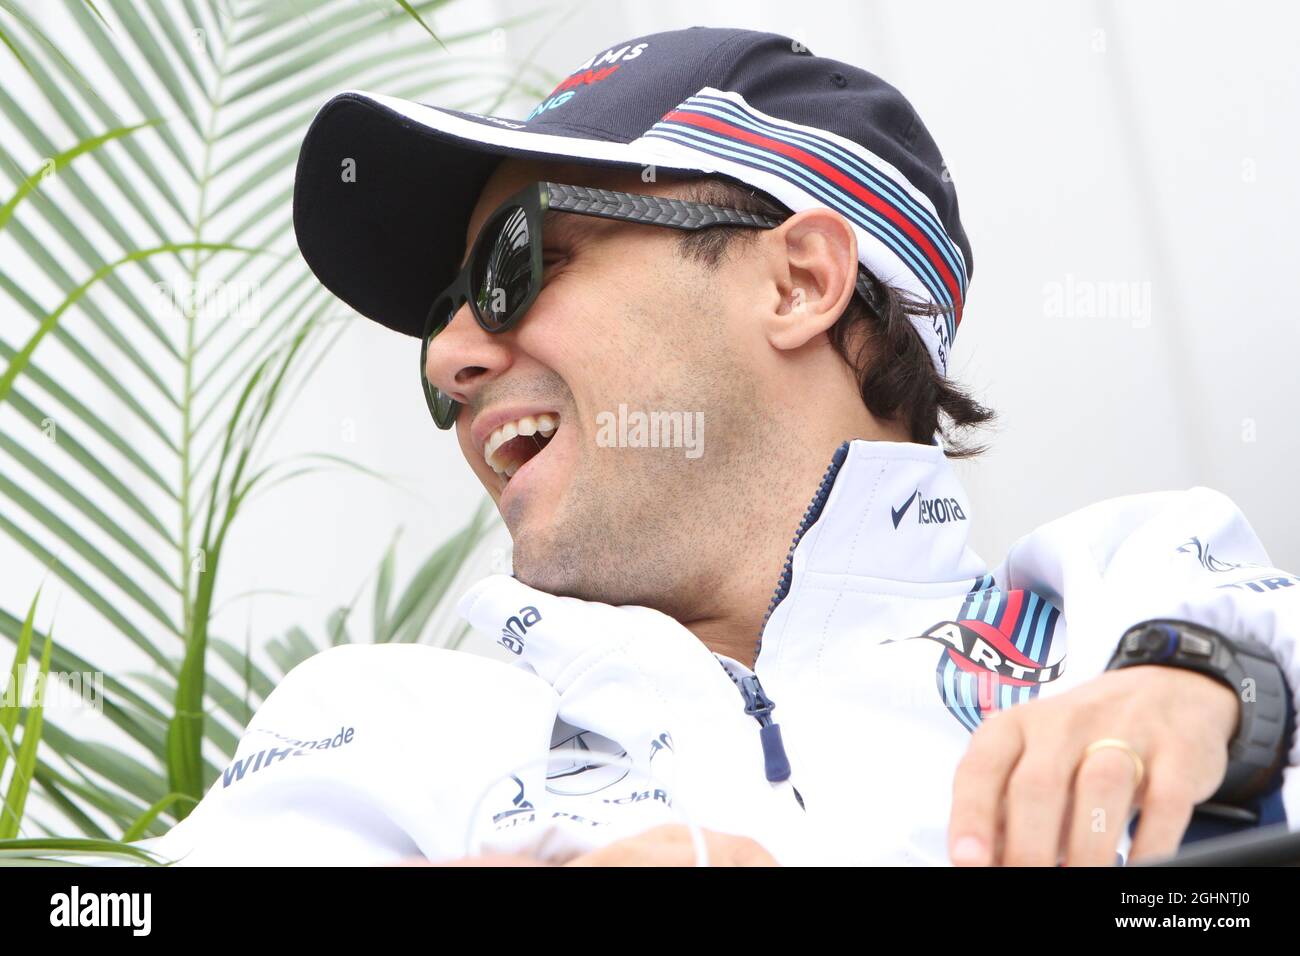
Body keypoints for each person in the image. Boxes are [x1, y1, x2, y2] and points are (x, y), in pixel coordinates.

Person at [139, 26, 1298, 866]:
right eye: (444, 314)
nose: (450, 358)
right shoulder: (387, 734)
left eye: (512, 267)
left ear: (798, 279)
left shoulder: (1145, 611)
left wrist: (1229, 704)